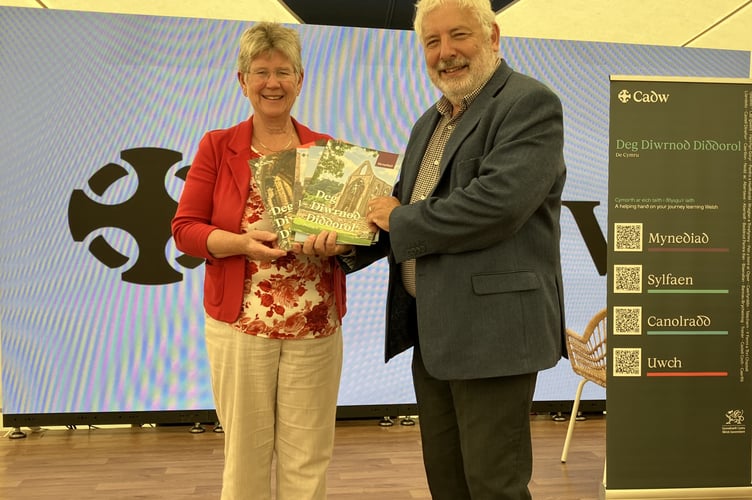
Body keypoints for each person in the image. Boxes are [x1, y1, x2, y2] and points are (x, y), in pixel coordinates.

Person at [310, 0, 567, 498]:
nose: (445, 52)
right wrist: (347, 243)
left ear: (493, 37)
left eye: (459, 35)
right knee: (447, 482)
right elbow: (404, 211)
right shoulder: (429, 121)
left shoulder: (529, 103)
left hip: (494, 337)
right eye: (432, 42)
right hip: (434, 331)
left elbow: (497, 206)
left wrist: (396, 217)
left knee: (493, 485)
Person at [171, 22, 351, 500]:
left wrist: (342, 244)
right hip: (240, 328)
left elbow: (354, 238)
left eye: (284, 72)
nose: (273, 82)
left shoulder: (327, 150)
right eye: (261, 72)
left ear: (300, 79)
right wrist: (241, 244)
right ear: (242, 81)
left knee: (309, 459)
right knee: (246, 459)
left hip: (316, 328)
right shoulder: (217, 145)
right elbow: (185, 230)